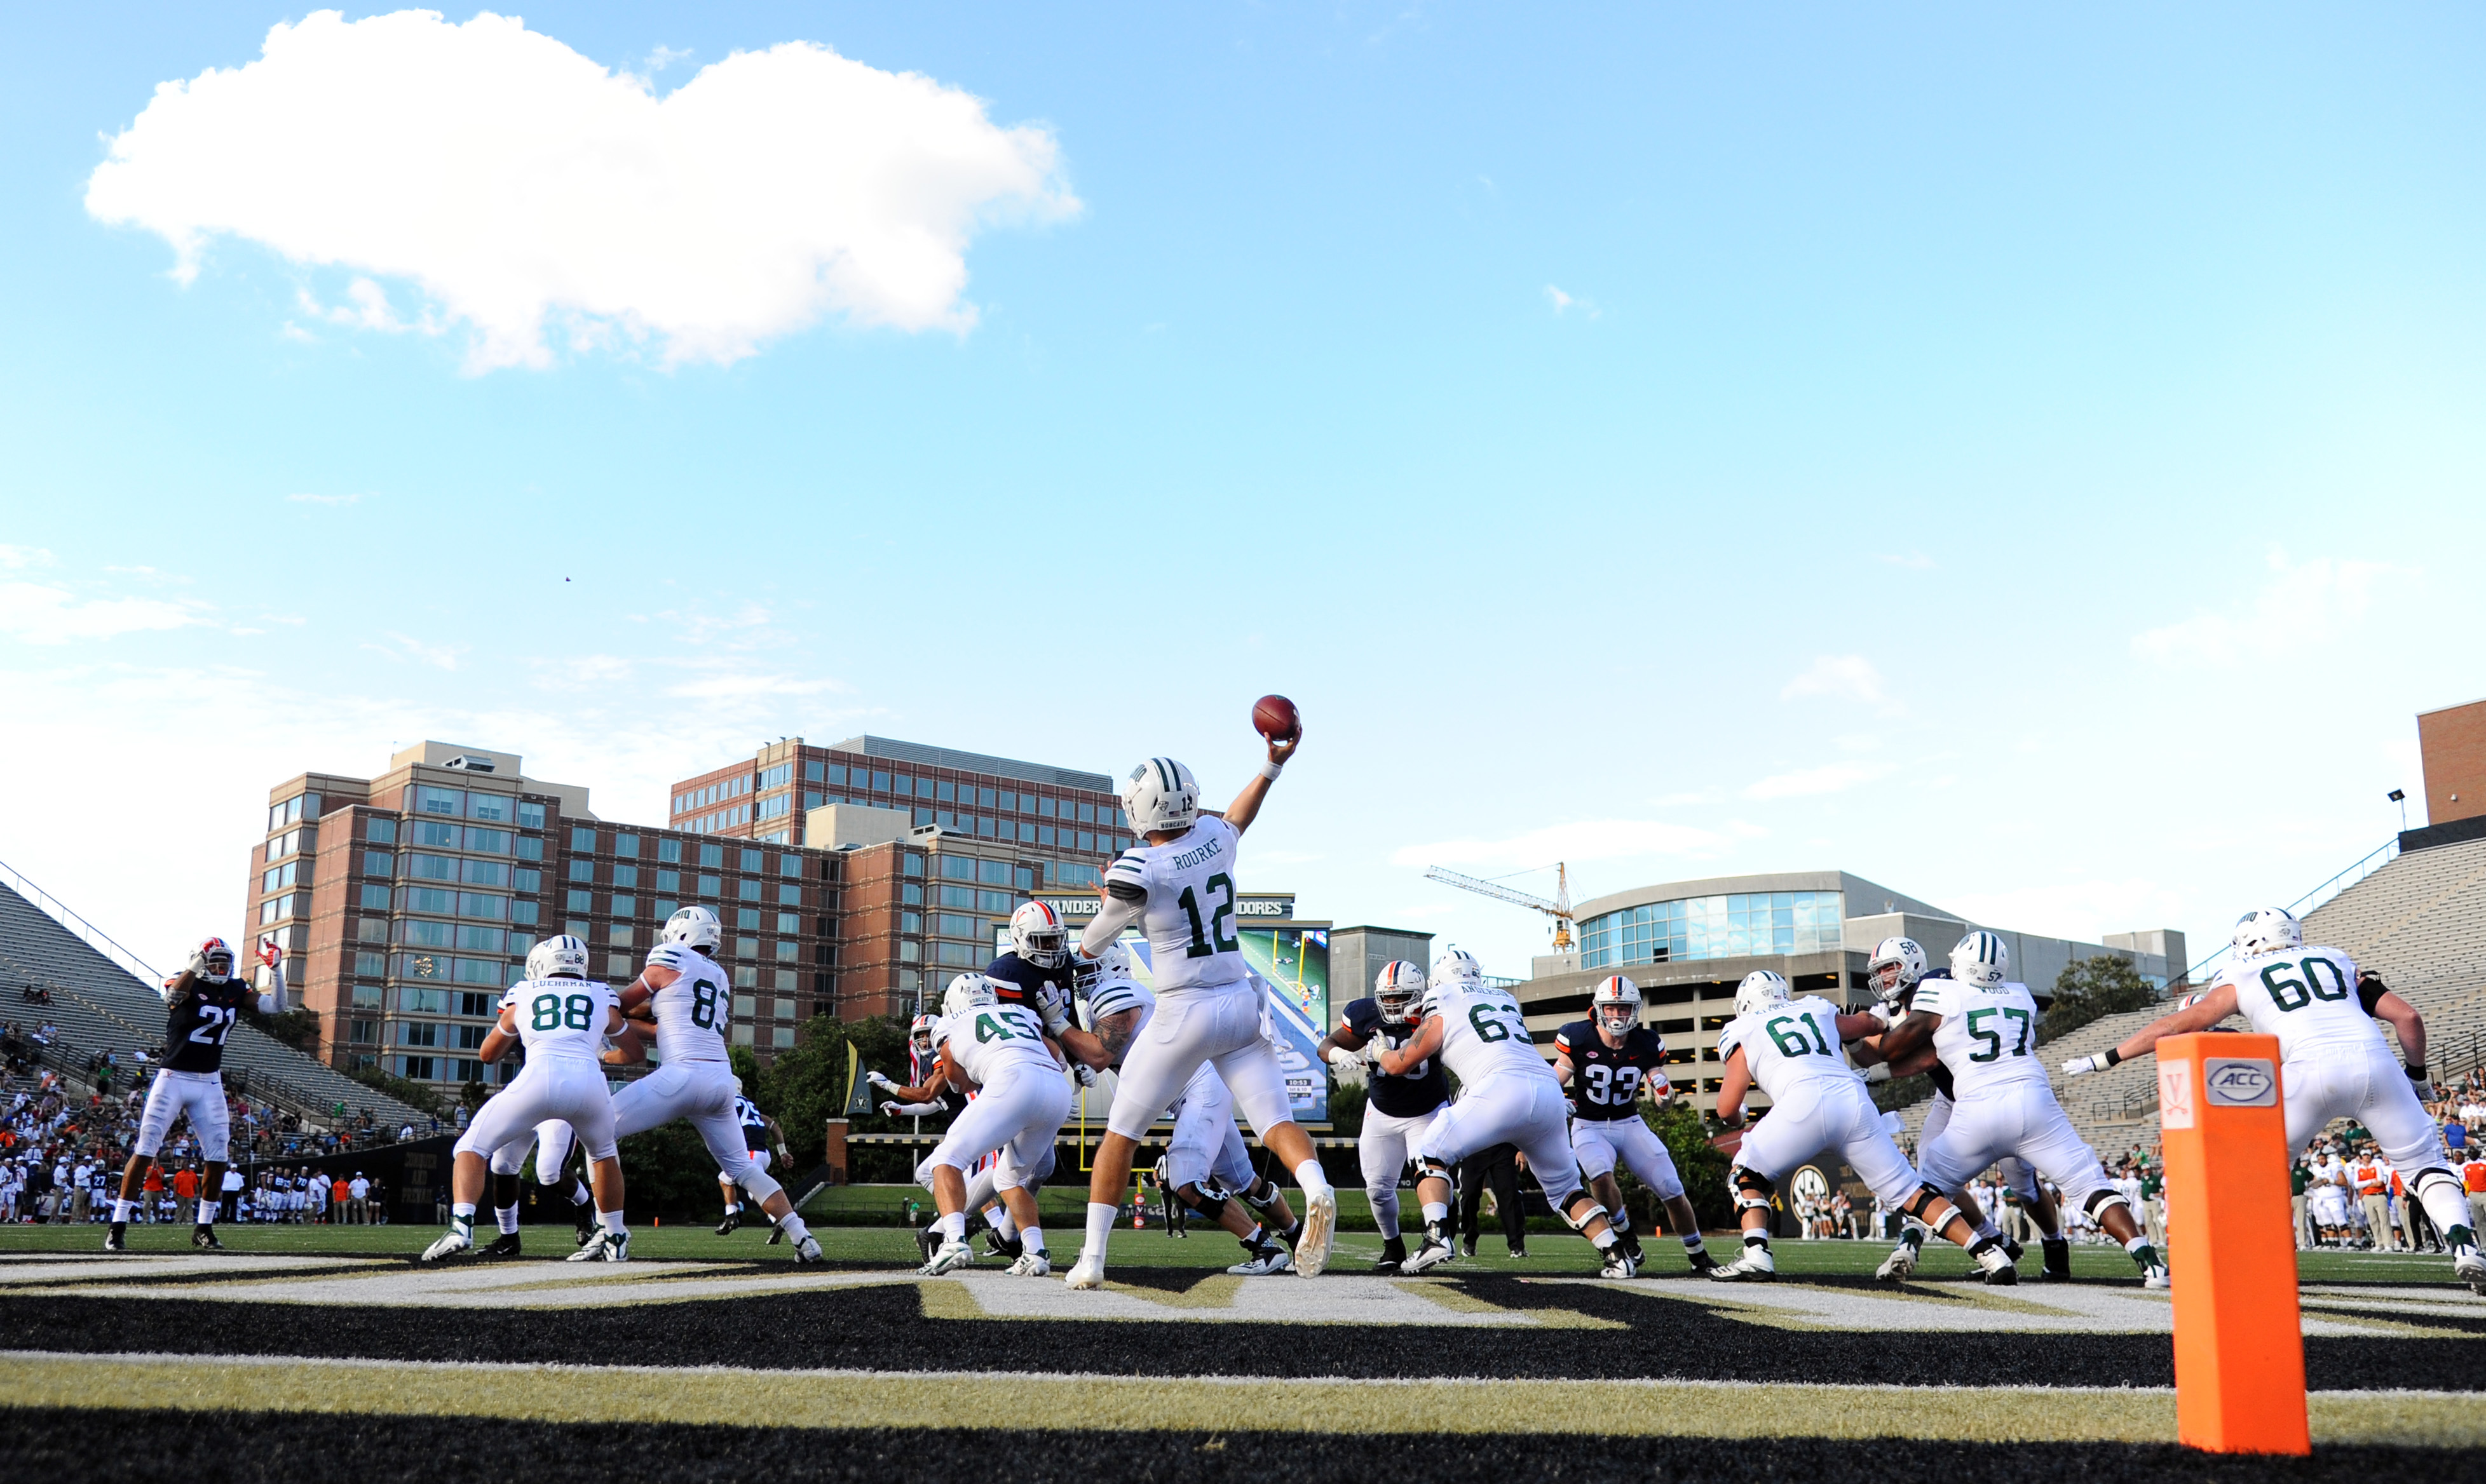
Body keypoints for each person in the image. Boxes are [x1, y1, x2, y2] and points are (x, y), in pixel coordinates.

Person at [2065, 907, 2485, 1292]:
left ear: (2248, 942)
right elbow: (2408, 1017)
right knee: (2425, 1166)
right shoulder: (2335, 959)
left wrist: (2107, 1058)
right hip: (2377, 1064)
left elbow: (2178, 1024)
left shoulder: (2241, 971)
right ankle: (2464, 1243)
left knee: (2260, 1174)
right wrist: (2417, 1077)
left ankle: (2252, 1267)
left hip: (2305, 1071)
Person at [1060, 740, 1336, 1290]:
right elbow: (1239, 815)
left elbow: (1092, 944)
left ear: (1139, 811)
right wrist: (1271, 766)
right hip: (1241, 1004)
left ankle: (1091, 1259)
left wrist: (1113, 906)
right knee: (1275, 1122)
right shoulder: (1212, 836)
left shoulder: (1140, 866)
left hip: (1184, 1011)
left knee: (1121, 1135)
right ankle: (1316, 1188)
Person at [1873, 932, 2166, 1286]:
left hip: (1979, 1105)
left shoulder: (1940, 991)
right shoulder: (2021, 995)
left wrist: (1869, 1035)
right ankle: (2151, 1263)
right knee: (2089, 1185)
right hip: (2033, 1099)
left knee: (1926, 1188)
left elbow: (1891, 1049)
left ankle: (1931, 1245)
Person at [1710, 969, 2014, 1283]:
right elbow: (1869, 1024)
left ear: (1744, 1004)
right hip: (1851, 1098)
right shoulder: (1813, 1006)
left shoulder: (1741, 1027)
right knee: (1911, 1193)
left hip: (1801, 1103)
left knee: (1744, 1176)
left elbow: (1727, 1109)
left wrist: (1738, 1118)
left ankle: (1757, 1256)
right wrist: (1882, 1017)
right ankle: (1991, 1255)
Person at [1383, 954, 1631, 1278]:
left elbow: (1401, 1063)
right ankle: (1617, 1255)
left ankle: (1436, 1237)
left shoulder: (1443, 995)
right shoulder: (1505, 999)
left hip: (1502, 1088)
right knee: (1567, 1190)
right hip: (1548, 1090)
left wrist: (1379, 1052)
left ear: (1439, 980)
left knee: (1426, 1154)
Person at [603, 906, 821, 1261]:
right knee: (742, 1169)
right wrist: (630, 1020)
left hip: (681, 1075)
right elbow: (665, 1026)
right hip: (721, 1082)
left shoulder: (669, 959)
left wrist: (605, 1025)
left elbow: (617, 1005)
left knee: (600, 1131)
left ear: (680, 934)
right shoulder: (718, 975)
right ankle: (804, 1238)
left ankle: (608, 1232)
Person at [1859, 938, 2064, 1279]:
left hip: (1995, 1094)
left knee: (2024, 1187)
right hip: (1951, 1099)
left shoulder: (1940, 985)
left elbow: (1929, 1057)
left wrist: (1871, 1072)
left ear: (1912, 966)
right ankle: (1983, 1240)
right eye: (1879, 971)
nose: (1884, 977)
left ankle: (2055, 1245)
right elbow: (1873, 1052)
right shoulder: (1890, 1008)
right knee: (1927, 1179)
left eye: (1889, 968)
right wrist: (1854, 1037)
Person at [421, 936, 630, 1263]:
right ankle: (518, 1237)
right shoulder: (599, 993)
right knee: (509, 1164)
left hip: (539, 1085)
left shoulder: (524, 992)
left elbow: (488, 1053)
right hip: (573, 1085)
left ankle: (466, 1224)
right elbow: (633, 1046)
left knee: (523, 1164)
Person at [108, 938, 285, 1253]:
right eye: (213, 961)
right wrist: (196, 965)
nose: (221, 967)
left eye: (224, 961)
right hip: (173, 1078)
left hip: (209, 1081)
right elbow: (173, 996)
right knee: (146, 1148)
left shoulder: (235, 988)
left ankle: (203, 1228)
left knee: (218, 1154)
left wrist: (276, 971)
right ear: (200, 961)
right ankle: (117, 1226)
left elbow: (276, 1007)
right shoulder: (184, 979)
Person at [1552, 974, 1715, 1275]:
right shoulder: (1579, 1037)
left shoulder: (1646, 1042)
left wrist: (1665, 1092)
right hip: (1589, 1125)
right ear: (1599, 1009)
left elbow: (1663, 1102)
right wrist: (1554, 1101)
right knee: (1599, 1175)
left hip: (1630, 1123)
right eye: (1611, 1008)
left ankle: (1699, 1256)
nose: (1617, 1014)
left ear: (1634, 1009)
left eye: (1623, 1008)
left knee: (1671, 1187)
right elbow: (1554, 1081)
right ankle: (1624, 1233)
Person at [915, 973, 1073, 1277]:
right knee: (1009, 1179)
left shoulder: (949, 1025)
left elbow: (960, 1085)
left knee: (946, 1159)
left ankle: (954, 1241)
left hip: (1013, 1081)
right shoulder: (1019, 1013)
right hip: (1057, 1090)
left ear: (952, 1004)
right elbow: (1057, 1055)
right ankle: (1035, 1252)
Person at [1320, 959, 1455, 1274]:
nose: (1393, 1004)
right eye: (1387, 997)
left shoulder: (1436, 1013)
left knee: (1428, 1172)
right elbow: (1327, 1045)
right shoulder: (1366, 1014)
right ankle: (1393, 1246)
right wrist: (1339, 1053)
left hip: (1427, 1111)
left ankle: (1437, 1232)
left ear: (1419, 995)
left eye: (1401, 997)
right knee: (1377, 1190)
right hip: (1382, 1111)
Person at [717, 1089, 792, 1240]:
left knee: (728, 1180)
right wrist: (783, 1152)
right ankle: (774, 1219)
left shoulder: (729, 1104)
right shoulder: (750, 1106)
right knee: (747, 1188)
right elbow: (773, 1126)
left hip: (750, 1152)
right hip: (762, 1154)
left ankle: (732, 1216)